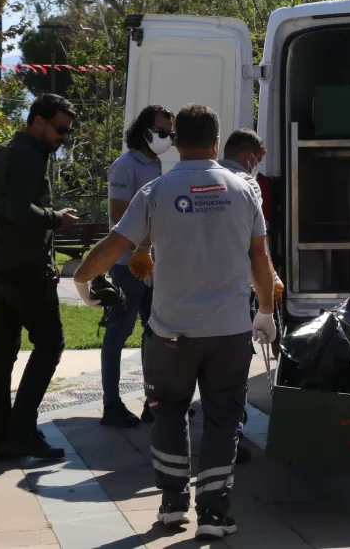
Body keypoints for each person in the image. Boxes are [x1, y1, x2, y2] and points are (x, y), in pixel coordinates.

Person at [73, 104, 277, 541]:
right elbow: (259, 257)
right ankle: (214, 512)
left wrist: (82, 280)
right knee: (223, 419)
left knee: (168, 414)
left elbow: (114, 244)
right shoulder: (244, 190)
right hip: (228, 330)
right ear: (217, 142)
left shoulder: (158, 190)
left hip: (170, 332)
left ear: (177, 141)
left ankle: (171, 505)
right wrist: (265, 312)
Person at [0, 93, 79, 462]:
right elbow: (18, 210)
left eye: (68, 131)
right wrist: (55, 217)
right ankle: (21, 432)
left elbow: (8, 213)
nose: (64, 137)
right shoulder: (27, 156)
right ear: (37, 120)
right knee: (50, 345)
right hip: (21, 271)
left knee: (3, 352)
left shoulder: (6, 151)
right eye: (60, 129)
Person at [100, 105, 175, 428]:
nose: (167, 139)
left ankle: (153, 400)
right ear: (145, 131)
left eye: (170, 133)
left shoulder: (156, 163)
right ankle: (111, 404)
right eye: (162, 132)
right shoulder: (124, 166)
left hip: (152, 265)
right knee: (118, 334)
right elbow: (119, 217)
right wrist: (140, 249)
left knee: (155, 334)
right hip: (127, 265)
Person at [219, 128, 285, 464]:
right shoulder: (246, 186)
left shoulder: (195, 180)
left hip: (187, 302)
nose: (260, 165)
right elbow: (256, 250)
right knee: (232, 374)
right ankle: (231, 439)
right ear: (248, 156)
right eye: (259, 158)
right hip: (232, 296)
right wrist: (266, 299)